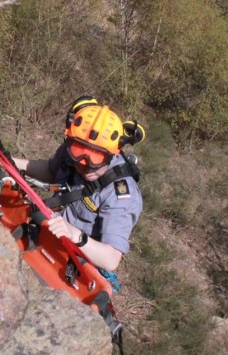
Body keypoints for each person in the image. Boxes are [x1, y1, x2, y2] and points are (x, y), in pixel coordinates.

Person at [12, 97, 144, 289]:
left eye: (96, 159)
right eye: (78, 155)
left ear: (113, 153)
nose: (86, 166)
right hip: (43, 236)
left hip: (71, 265)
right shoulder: (73, 146)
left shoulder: (121, 196)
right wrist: (12, 164)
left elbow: (110, 259)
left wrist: (77, 236)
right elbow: (50, 170)